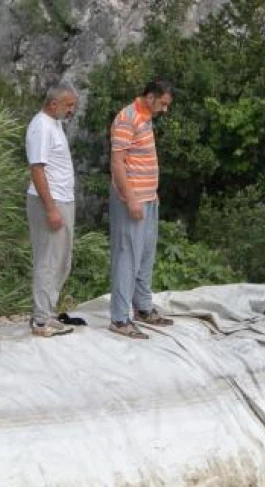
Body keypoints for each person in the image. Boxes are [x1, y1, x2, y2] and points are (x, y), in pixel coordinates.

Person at [107, 78, 175, 339]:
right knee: (128, 256)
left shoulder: (144, 118)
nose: (164, 109)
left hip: (148, 197)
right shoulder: (127, 118)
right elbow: (118, 163)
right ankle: (120, 318)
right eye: (163, 104)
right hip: (131, 199)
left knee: (145, 253)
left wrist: (151, 194)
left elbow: (140, 159)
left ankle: (143, 308)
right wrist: (131, 198)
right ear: (150, 97)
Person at [24, 82, 79, 338]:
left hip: (62, 200)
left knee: (61, 261)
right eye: (69, 105)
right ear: (54, 103)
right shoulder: (41, 127)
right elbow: (37, 169)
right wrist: (51, 209)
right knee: (48, 261)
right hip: (49, 202)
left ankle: (47, 311)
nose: (72, 110)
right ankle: (40, 320)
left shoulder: (54, 124)